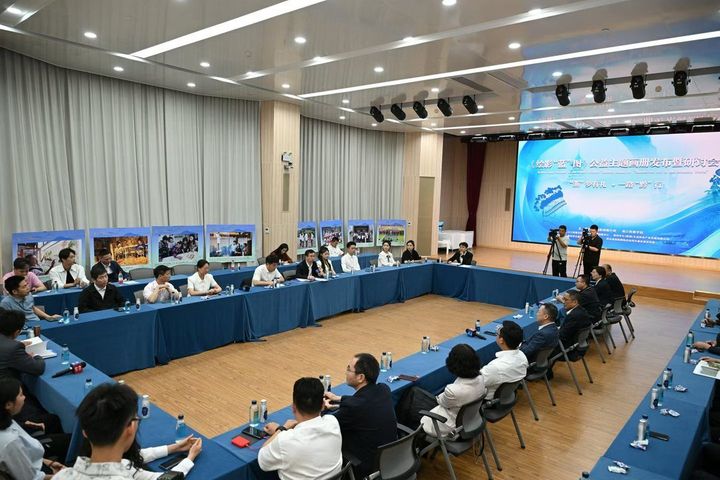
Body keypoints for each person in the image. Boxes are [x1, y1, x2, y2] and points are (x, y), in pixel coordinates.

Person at [54, 383, 202, 480]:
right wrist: (189, 459)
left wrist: (174, 448)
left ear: (85, 432)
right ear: (130, 427)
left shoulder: (61, 476)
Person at [323, 354, 397, 478]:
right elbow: (363, 401)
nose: (346, 372)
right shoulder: (384, 389)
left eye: (349, 369)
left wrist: (319, 409)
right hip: (391, 458)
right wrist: (338, 399)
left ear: (360, 377)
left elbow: (326, 426)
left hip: (365, 466)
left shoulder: (353, 408)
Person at [259, 377, 342, 479]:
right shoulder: (332, 422)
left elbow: (262, 461)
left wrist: (280, 429)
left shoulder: (285, 440)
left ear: (293, 407)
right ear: (322, 405)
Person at [0, 377, 66, 480]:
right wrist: (60, 476)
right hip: (39, 473)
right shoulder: (10, 443)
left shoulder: (6, 418)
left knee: (53, 420)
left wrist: (49, 462)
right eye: (21, 395)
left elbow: (25, 458)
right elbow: (32, 478)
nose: (24, 397)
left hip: (36, 461)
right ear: (8, 405)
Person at [415, 344, 486, 437]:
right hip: (469, 419)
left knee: (413, 398)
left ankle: (413, 438)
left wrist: (442, 395)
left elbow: (441, 401)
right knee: (416, 393)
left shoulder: (453, 390)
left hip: (448, 424)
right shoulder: (481, 378)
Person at [480, 321, 528, 399]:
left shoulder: (495, 367)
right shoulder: (522, 356)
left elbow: (476, 384)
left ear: (501, 340)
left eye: (497, 334)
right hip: (508, 395)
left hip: (488, 401)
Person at [549, 291, 593, 376]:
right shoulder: (581, 310)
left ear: (575, 302)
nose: (563, 302)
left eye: (565, 300)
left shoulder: (573, 316)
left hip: (570, 349)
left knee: (544, 344)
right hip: (579, 345)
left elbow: (562, 336)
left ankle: (542, 372)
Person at [0, 309, 46, 381]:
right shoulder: (14, 348)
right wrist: (36, 356)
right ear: (17, 332)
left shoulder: (12, 345)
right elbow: (38, 369)